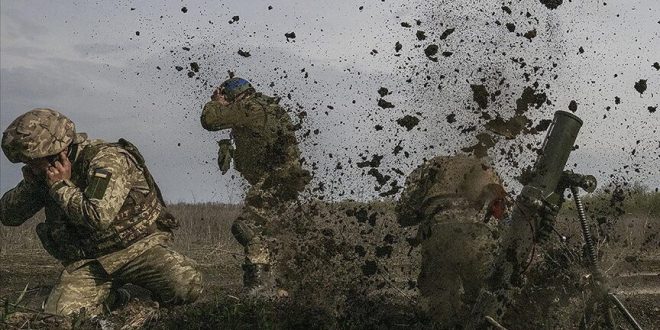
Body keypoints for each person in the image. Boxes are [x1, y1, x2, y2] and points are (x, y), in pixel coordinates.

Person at [0, 108, 202, 316]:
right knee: (61, 315)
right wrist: (33, 185)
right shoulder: (46, 173)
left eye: (33, 161)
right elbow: (8, 216)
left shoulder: (107, 160)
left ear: (57, 152)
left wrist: (61, 187)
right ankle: (118, 297)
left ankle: (138, 295)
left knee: (186, 284)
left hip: (139, 249)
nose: (30, 166)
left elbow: (98, 216)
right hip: (91, 263)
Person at [201, 77, 311, 296]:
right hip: (284, 182)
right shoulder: (268, 107)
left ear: (235, 96)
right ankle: (284, 287)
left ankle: (259, 286)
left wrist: (215, 102)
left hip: (276, 182)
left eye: (227, 98)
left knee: (246, 227)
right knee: (275, 235)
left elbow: (210, 121)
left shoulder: (251, 107)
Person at [396, 155, 510, 327]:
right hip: (479, 235)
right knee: (485, 299)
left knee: (438, 302)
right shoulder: (486, 168)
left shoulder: (432, 166)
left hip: (440, 232)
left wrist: (424, 212)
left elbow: (404, 213)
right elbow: (503, 215)